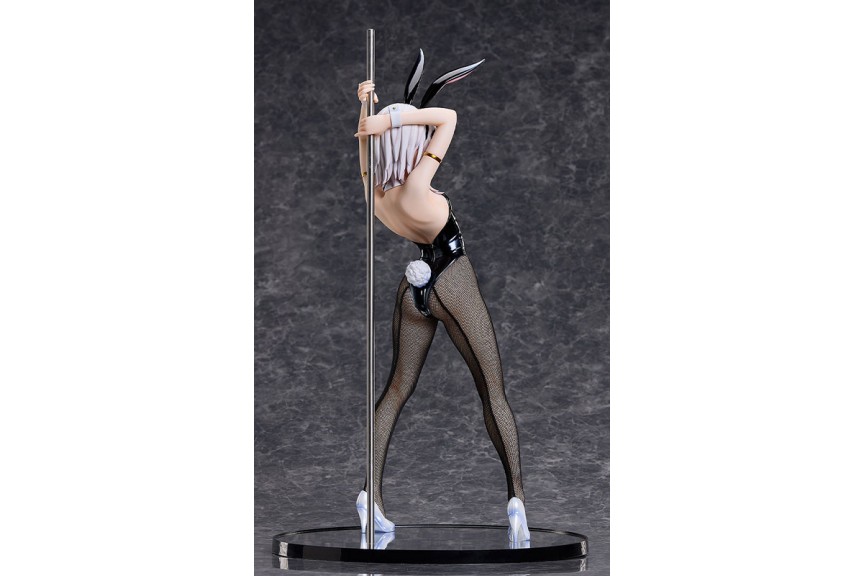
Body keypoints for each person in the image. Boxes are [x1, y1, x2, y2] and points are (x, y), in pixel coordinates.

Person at [352, 51, 530, 543]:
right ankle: (517, 501)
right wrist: (395, 117)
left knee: (396, 389)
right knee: (492, 389)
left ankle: (370, 495)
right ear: (413, 141)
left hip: (413, 289)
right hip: (451, 278)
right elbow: (448, 116)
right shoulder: (417, 187)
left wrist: (365, 113)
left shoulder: (377, 195)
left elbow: (366, 155)